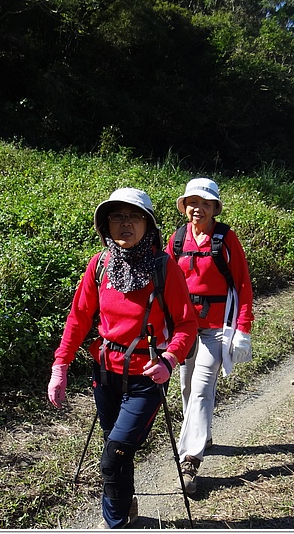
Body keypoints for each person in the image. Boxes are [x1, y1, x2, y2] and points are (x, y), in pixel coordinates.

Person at [47, 187, 198, 529]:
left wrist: (169, 360)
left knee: (112, 456)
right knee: (117, 450)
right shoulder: (100, 264)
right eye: (116, 216)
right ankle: (125, 506)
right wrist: (61, 366)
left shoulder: (164, 268)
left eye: (133, 216)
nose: (124, 223)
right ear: (106, 225)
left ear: (149, 224)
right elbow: (79, 317)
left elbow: (187, 323)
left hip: (146, 379)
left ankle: (114, 525)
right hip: (105, 375)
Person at [167, 178, 254, 495]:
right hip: (185, 327)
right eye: (192, 202)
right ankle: (203, 436)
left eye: (205, 203)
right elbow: (165, 280)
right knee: (187, 387)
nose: (197, 208)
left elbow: (243, 284)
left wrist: (243, 328)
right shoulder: (177, 239)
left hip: (218, 328)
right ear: (185, 206)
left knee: (202, 388)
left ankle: (190, 459)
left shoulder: (226, 238)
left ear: (215, 208)